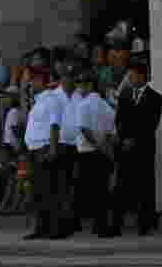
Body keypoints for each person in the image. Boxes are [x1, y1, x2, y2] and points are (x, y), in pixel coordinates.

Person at [107, 62, 162, 236]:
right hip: (124, 147)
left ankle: (145, 224)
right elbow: (119, 120)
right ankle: (116, 225)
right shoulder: (125, 95)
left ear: (141, 76)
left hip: (144, 148)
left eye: (131, 75)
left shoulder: (155, 97)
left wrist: (135, 139)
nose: (129, 79)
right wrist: (123, 138)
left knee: (144, 185)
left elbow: (151, 123)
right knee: (121, 186)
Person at [23, 67, 68, 239]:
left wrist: (53, 148)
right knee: (37, 192)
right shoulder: (38, 101)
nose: (30, 84)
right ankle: (41, 228)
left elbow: (54, 125)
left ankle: (55, 229)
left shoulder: (52, 99)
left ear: (41, 81)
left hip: (45, 148)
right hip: (34, 149)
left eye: (33, 80)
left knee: (50, 191)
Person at [75, 70, 117, 236]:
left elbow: (85, 130)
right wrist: (107, 150)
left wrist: (98, 145)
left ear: (89, 85)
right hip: (103, 153)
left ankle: (97, 225)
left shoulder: (83, 105)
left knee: (91, 191)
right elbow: (111, 134)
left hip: (88, 152)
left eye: (81, 84)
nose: (79, 88)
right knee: (102, 190)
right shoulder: (106, 106)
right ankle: (102, 224)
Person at [55, 65, 83, 233]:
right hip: (60, 144)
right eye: (65, 76)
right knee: (61, 184)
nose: (68, 80)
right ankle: (63, 220)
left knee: (76, 183)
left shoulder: (80, 96)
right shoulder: (53, 96)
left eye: (71, 77)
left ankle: (74, 219)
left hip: (78, 145)